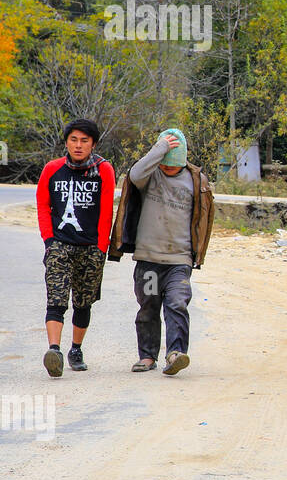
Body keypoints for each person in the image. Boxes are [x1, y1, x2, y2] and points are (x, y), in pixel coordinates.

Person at [108, 128, 215, 376]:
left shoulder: (196, 180)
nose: (168, 168)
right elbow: (134, 174)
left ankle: (175, 354)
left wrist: (196, 255)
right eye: (164, 164)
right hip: (149, 260)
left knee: (177, 303)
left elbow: (203, 219)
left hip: (179, 260)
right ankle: (147, 356)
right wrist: (160, 149)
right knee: (148, 306)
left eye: (172, 164)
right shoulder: (150, 176)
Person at [36, 119, 117, 377]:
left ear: (93, 144)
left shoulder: (103, 170)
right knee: (56, 299)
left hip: (91, 247)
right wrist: (49, 240)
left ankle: (76, 349)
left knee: (83, 302)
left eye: (84, 141)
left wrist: (101, 247)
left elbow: (106, 212)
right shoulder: (52, 169)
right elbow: (43, 205)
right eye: (74, 140)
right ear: (66, 142)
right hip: (60, 244)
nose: (78, 145)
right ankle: (55, 350)